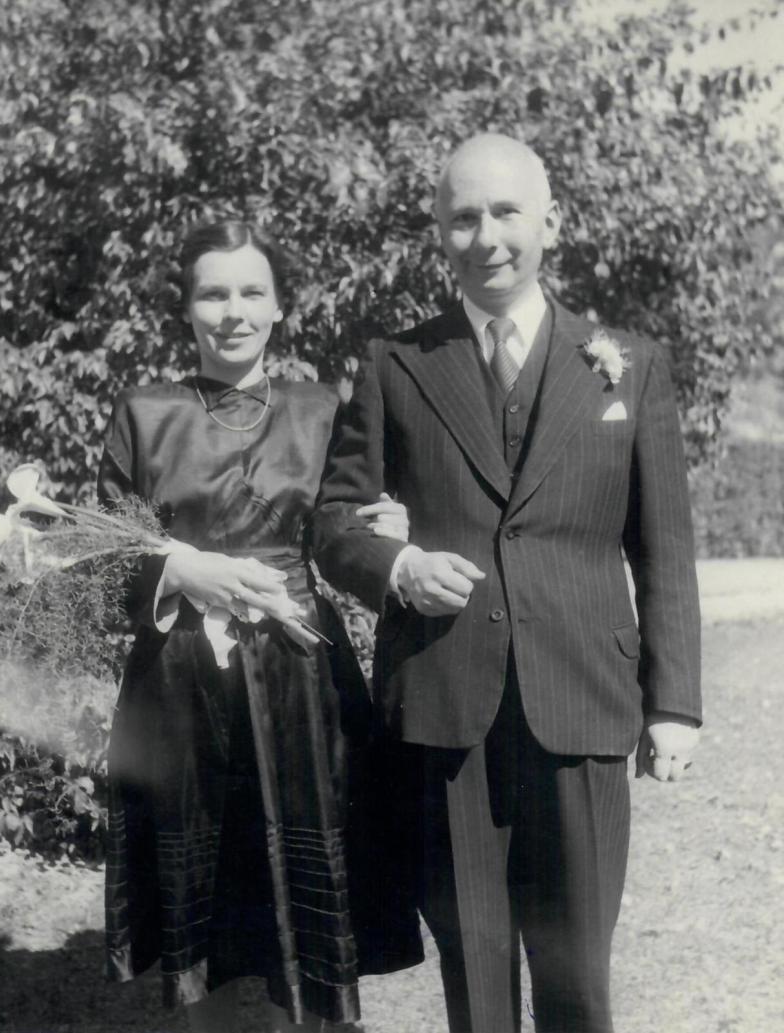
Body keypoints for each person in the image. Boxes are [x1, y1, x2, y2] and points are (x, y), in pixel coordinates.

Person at [311, 134, 702, 1033]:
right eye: (462, 217)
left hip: (584, 704)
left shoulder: (630, 366)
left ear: (550, 223)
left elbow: (665, 548)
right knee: (476, 980)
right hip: (446, 708)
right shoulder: (396, 364)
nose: (486, 236)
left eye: (506, 212)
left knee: (580, 977)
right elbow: (331, 526)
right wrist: (399, 568)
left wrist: (674, 702)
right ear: (438, 233)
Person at [97, 219, 422, 1033]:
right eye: (213, 293)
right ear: (187, 309)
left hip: (301, 682)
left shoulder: (323, 411)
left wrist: (398, 526)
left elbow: (350, 528)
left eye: (251, 292)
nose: (232, 311)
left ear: (279, 308)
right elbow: (100, 557)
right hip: (178, 685)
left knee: (307, 899)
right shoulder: (145, 415)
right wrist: (180, 568)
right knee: (200, 910)